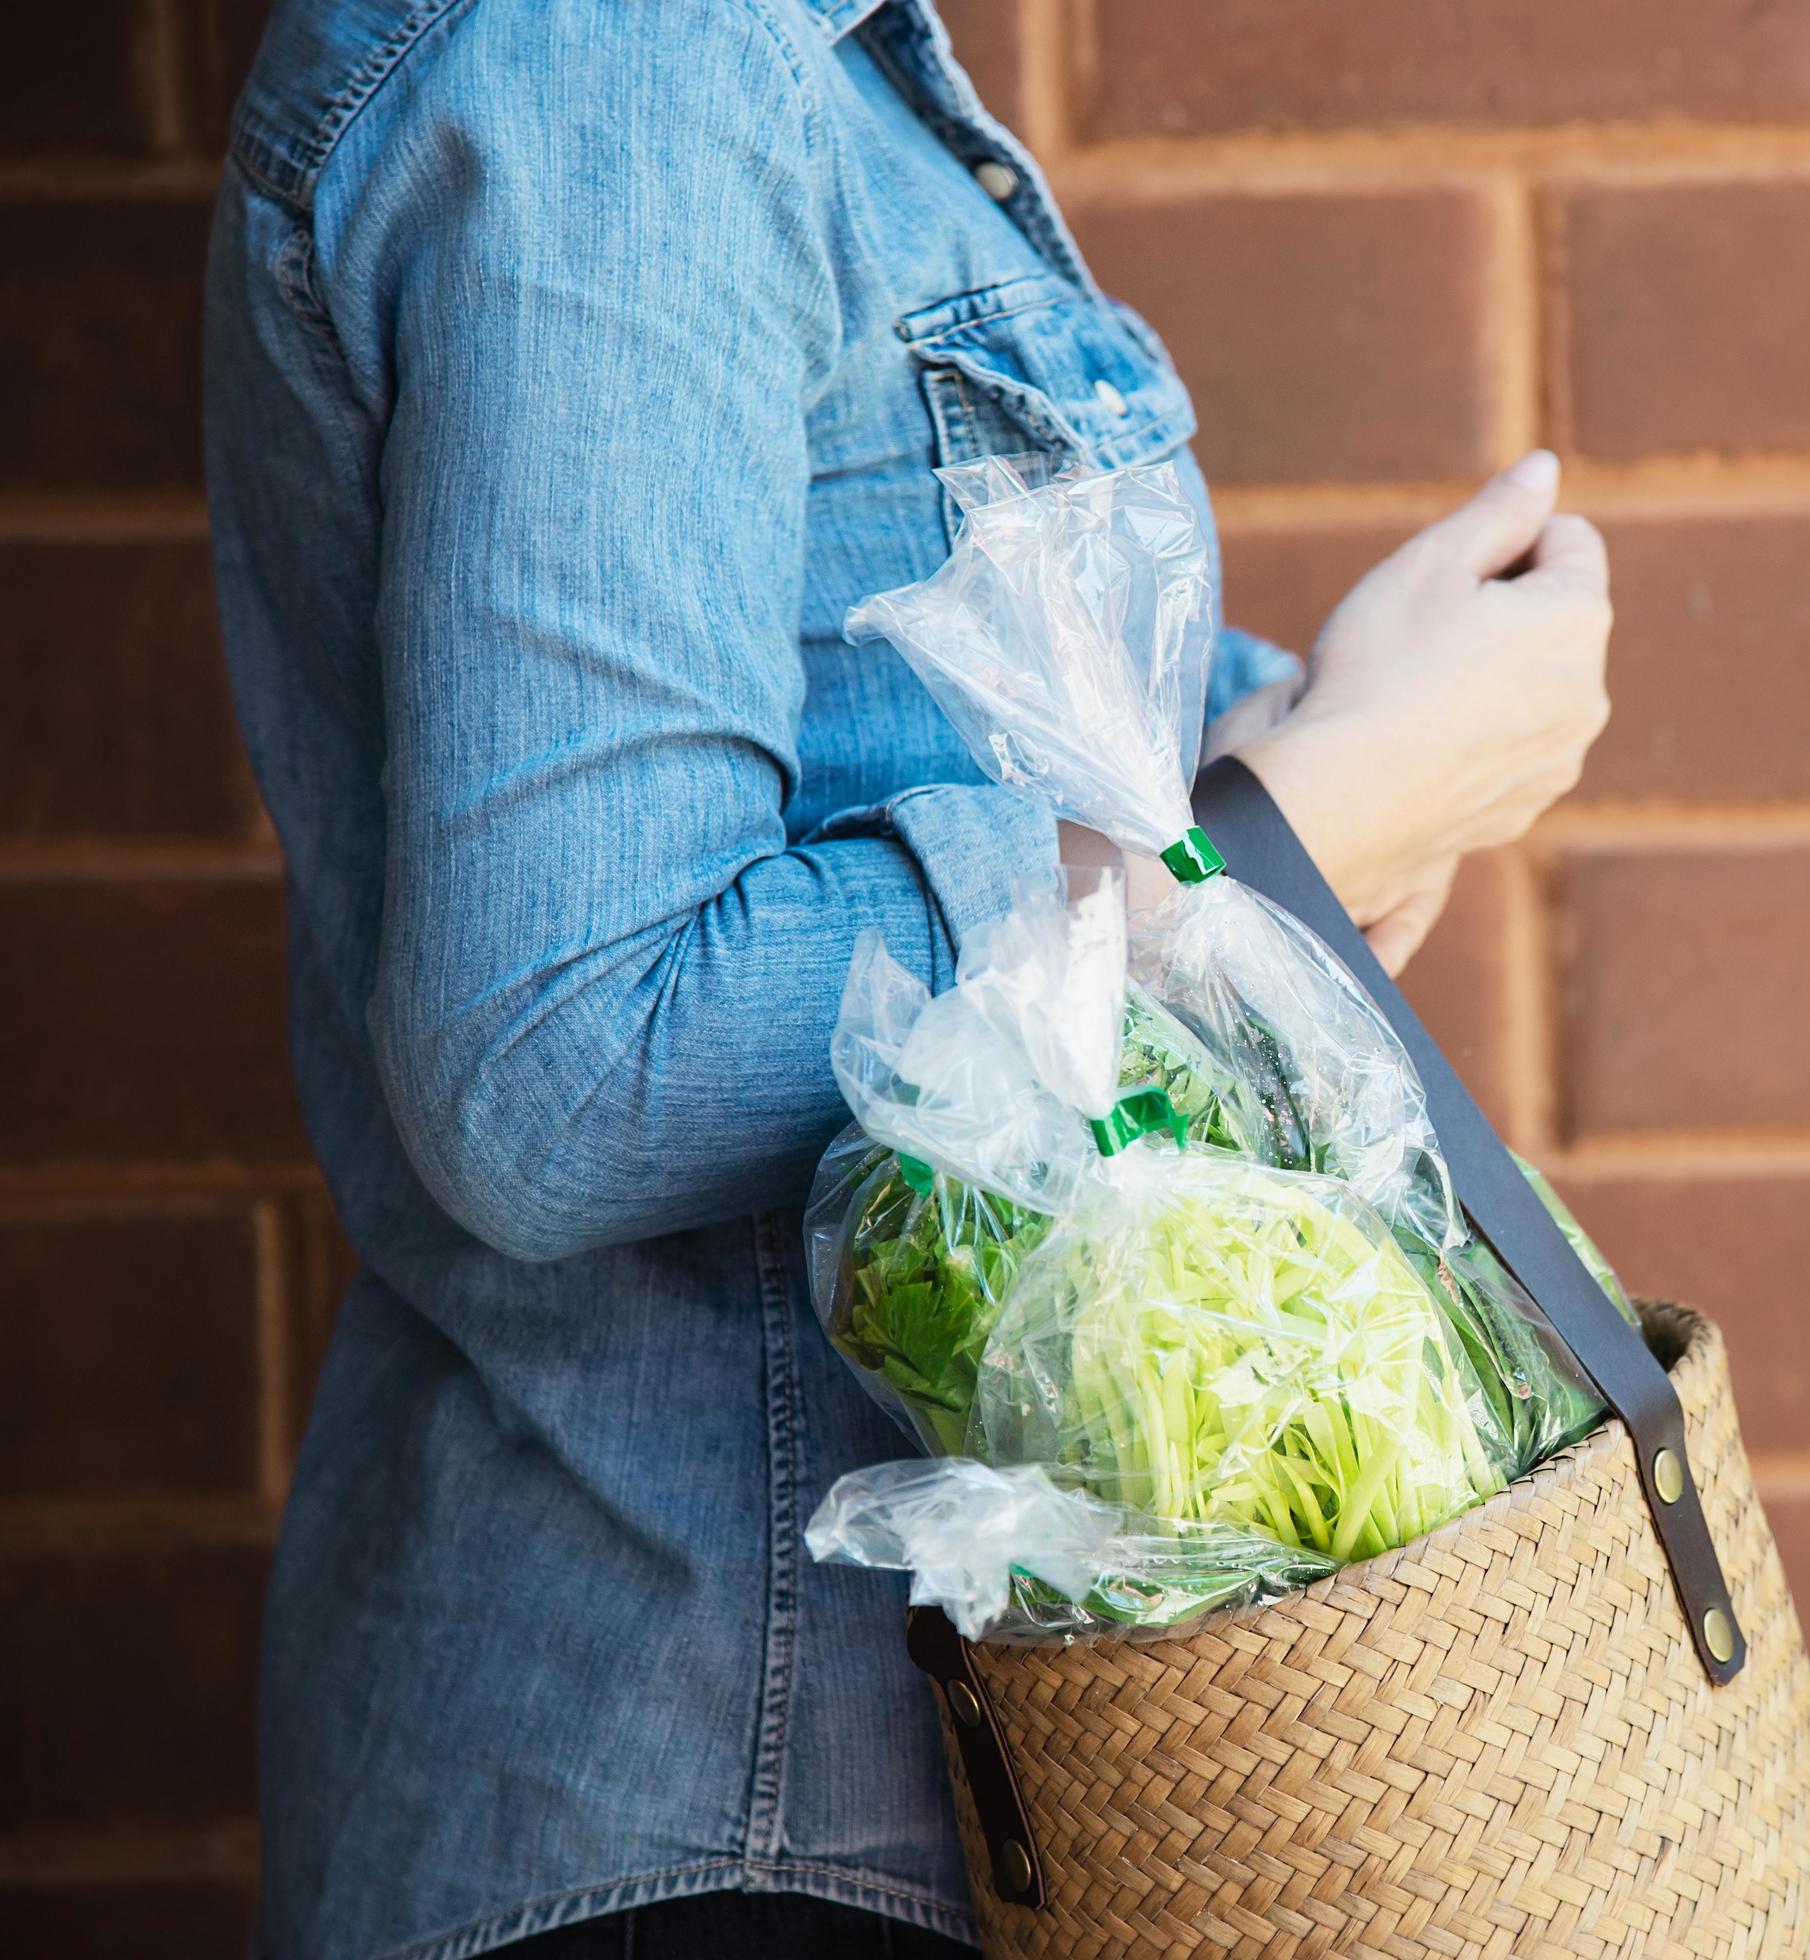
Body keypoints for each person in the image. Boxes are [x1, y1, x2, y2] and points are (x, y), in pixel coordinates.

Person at [202, 2, 1610, 1955]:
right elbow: (567, 1055)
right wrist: (1272, 831)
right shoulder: (613, 61)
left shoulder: (767, 63)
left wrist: (1312, 751)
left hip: (828, 1780)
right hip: (731, 1788)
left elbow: (899, 716)